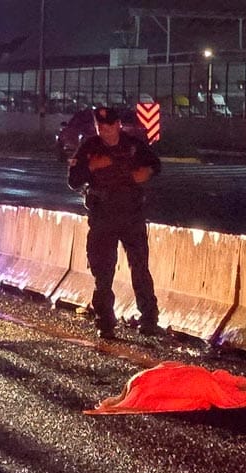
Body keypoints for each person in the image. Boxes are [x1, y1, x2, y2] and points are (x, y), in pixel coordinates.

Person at [67, 107, 162, 339]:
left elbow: (156, 165)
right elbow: (73, 180)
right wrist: (91, 167)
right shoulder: (90, 147)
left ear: (118, 124)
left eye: (109, 126)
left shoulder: (133, 145)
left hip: (131, 216)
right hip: (103, 218)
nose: (105, 131)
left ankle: (149, 319)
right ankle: (104, 321)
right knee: (103, 273)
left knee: (139, 268)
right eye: (101, 127)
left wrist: (146, 172)